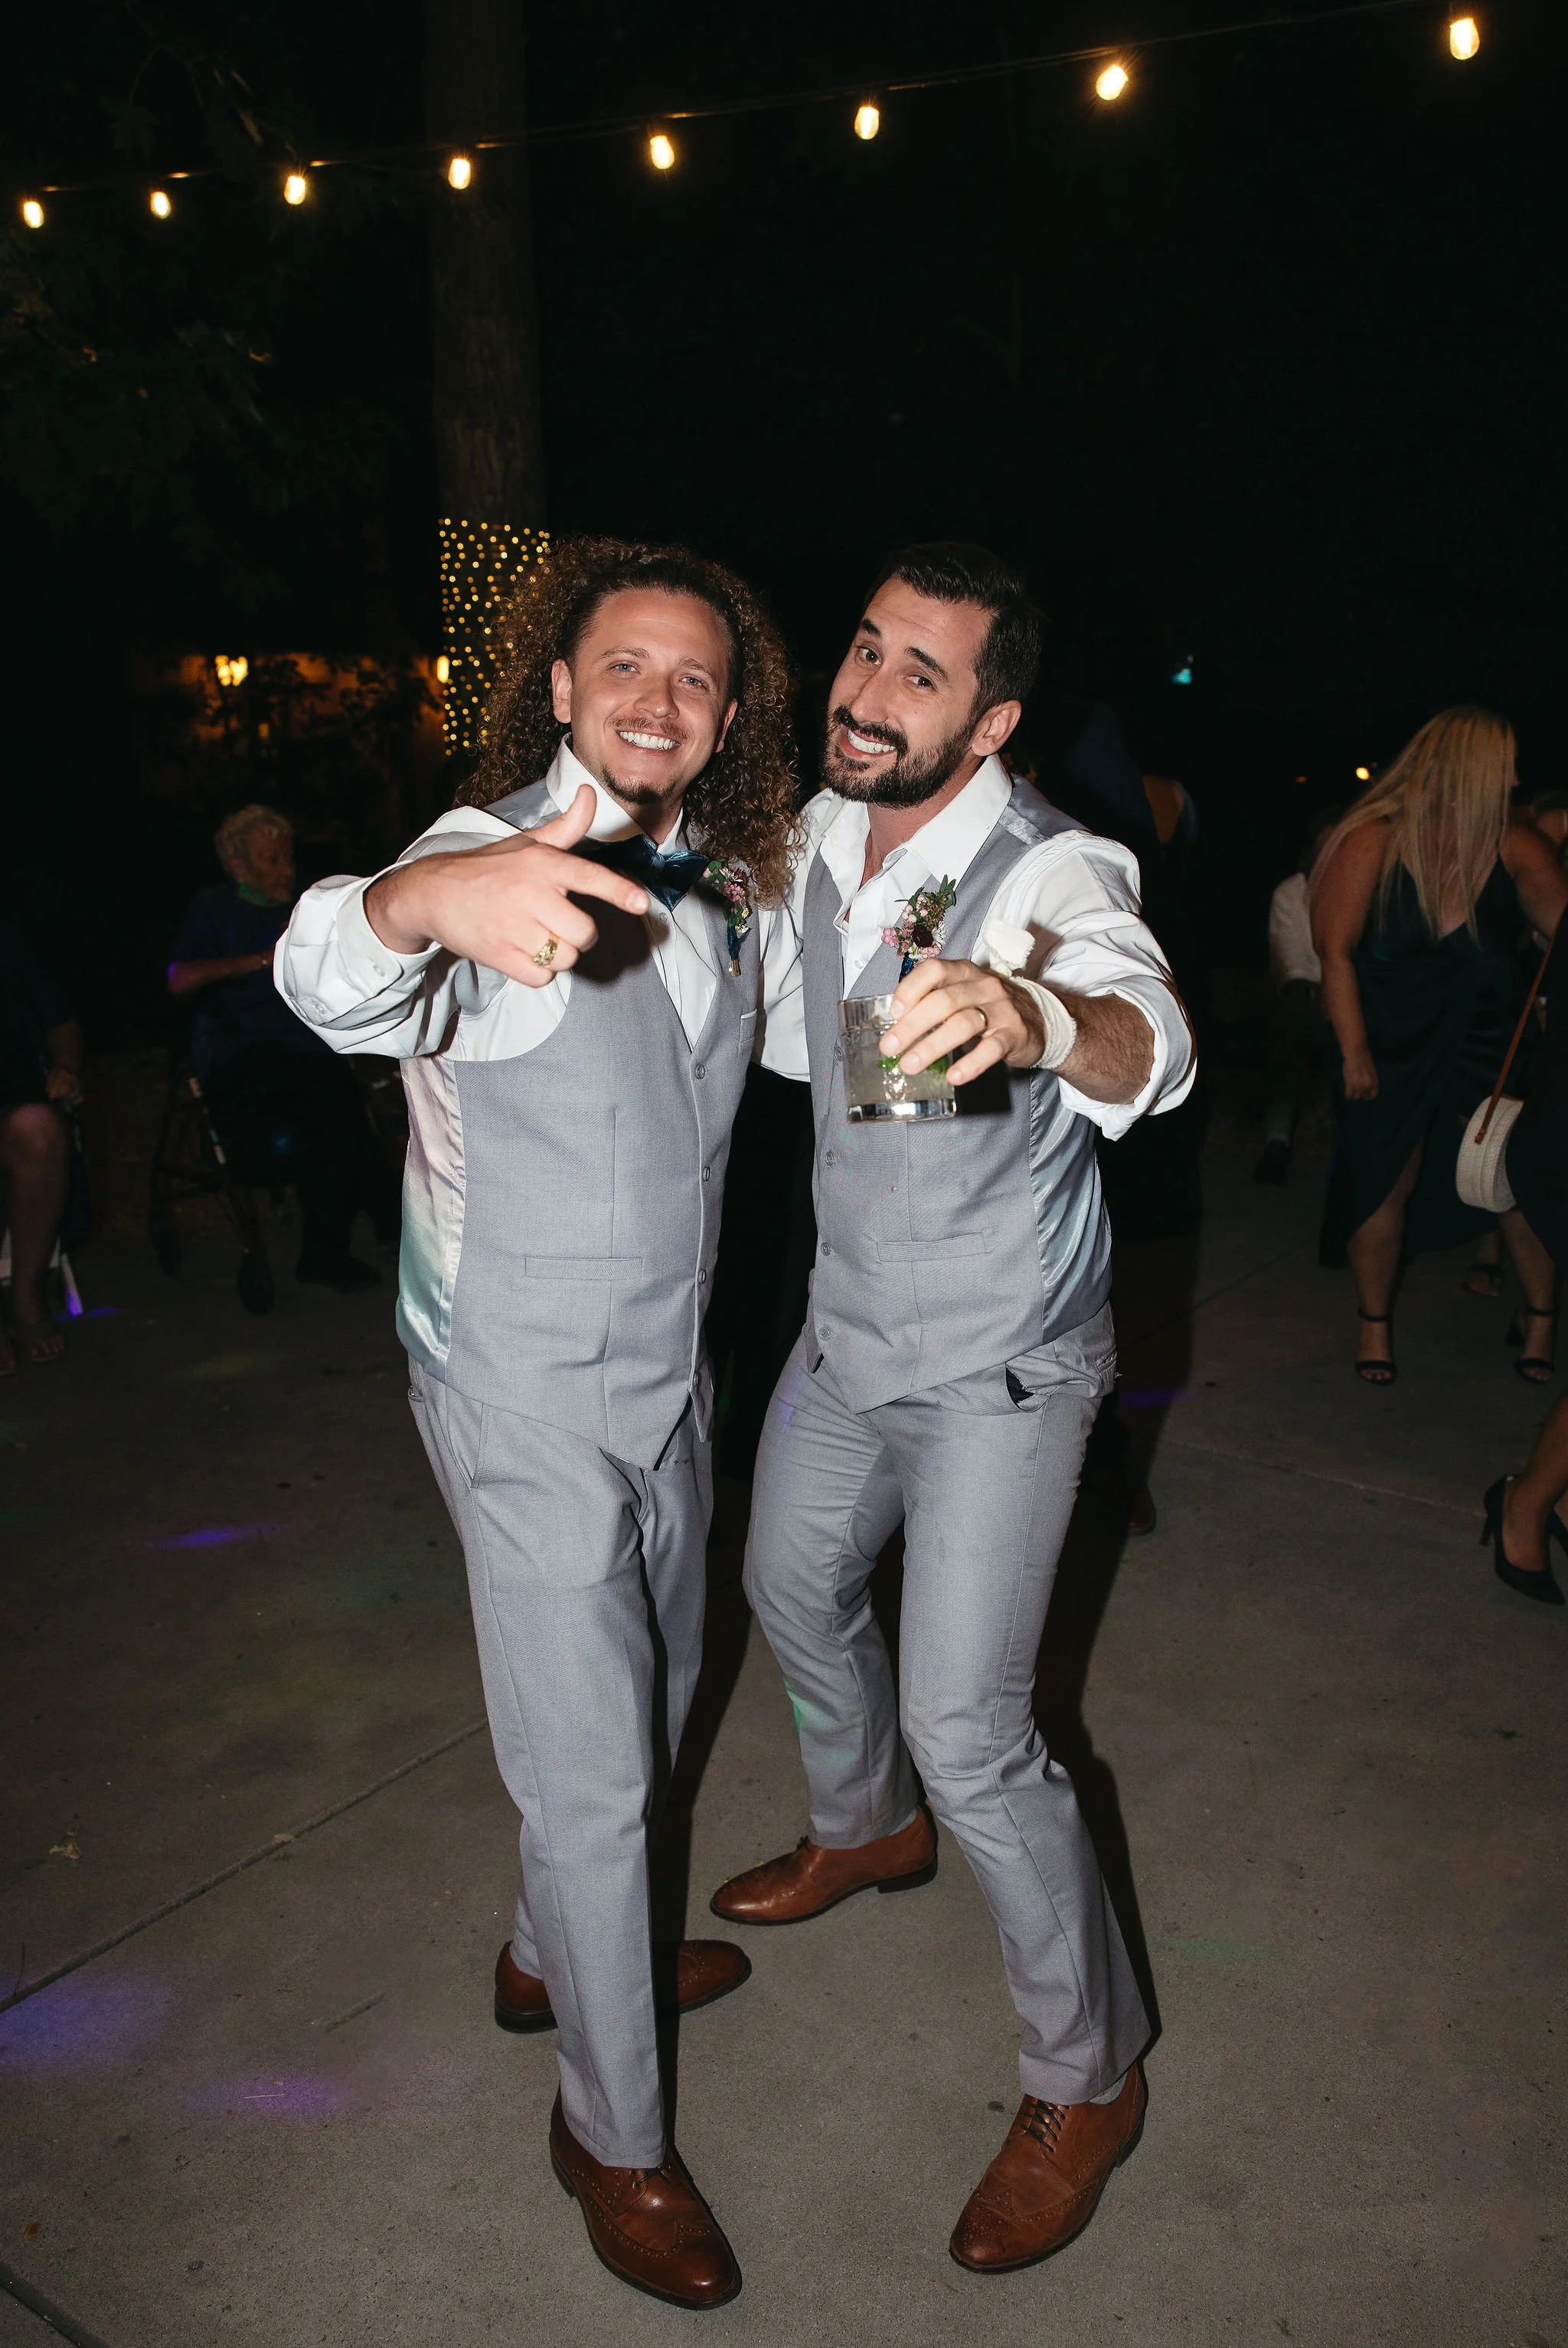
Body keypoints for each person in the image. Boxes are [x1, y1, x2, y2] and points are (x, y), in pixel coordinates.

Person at [276, 537, 805, 2310]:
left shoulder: (727, 879)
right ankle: (612, 2133)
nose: (659, 698)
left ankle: (548, 1958)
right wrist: (423, 905)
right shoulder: (486, 852)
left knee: (658, 1690)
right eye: (624, 666)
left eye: (694, 676)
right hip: (512, 1379)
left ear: (726, 714)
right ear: (561, 685)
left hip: (669, 1371)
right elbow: (333, 970)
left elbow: (792, 1054)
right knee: (591, 1773)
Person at [712, 544, 1195, 2273]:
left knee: (974, 1729)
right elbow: (787, 1039)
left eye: (919, 673)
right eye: (864, 648)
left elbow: (1151, 1037)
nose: (865, 690)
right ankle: (865, 1825)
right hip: (846, 1335)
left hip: (1000, 1363)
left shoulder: (1050, 866)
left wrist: (1033, 1010)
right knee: (783, 1582)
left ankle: (1088, 2074)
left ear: (988, 721)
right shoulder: (817, 834)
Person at [1312, 710, 1568, 1384]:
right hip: (1388, 1039)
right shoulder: (1372, 838)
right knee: (1384, 1181)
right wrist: (1354, 1051)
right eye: (1505, 765)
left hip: (1490, 1038)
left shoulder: (1513, 845)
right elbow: (1334, 952)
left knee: (1514, 1178)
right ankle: (1374, 1325)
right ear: (1469, 769)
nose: (1516, 779)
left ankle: (1542, 1317)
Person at [169, 805, 397, 1292]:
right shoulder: (214, 908)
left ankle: (381, 1226)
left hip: (310, 1048)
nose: (286, 870)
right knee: (329, 1102)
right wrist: (261, 960)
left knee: (341, 1098)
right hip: (240, 1052)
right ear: (238, 866)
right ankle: (341, 1243)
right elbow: (179, 978)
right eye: (271, 860)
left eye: (288, 857)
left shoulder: (301, 909)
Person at [0, 920, 83, 1372]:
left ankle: (26, 1296)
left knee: (41, 1131)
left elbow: (60, 1021)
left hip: (11, 1105)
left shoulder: (8, 943)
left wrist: (67, 1067)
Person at [1253, 812, 1335, 1185]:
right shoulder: (1290, 892)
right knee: (1292, 1020)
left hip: (1351, 998)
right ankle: (1277, 1141)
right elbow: (1292, 964)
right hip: (1306, 997)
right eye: (1324, 846)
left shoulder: (1363, 888)